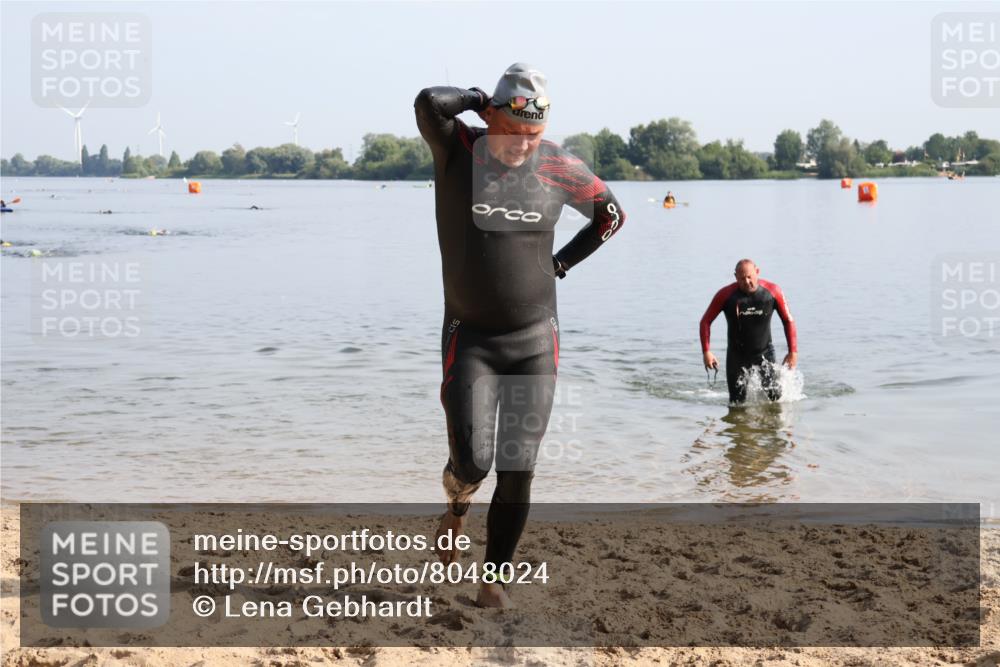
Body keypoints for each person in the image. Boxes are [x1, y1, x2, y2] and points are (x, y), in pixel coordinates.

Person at [414, 63, 625, 608]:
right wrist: (477, 98)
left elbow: (610, 216)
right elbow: (429, 102)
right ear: (492, 118)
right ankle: (456, 507)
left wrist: (560, 265)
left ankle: (494, 580)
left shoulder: (558, 166)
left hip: (535, 339)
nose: (523, 144)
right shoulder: (460, 149)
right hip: (471, 337)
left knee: (518, 466)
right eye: (512, 131)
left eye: (533, 133)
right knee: (473, 463)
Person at [700, 259, 797, 404]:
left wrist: (793, 352)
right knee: (736, 403)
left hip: (764, 353)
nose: (746, 281)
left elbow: (788, 320)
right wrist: (706, 352)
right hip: (736, 356)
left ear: (757, 272)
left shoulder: (773, 291)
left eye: (749, 277)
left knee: (775, 399)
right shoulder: (726, 295)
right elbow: (705, 321)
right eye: (742, 278)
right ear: (735, 277)